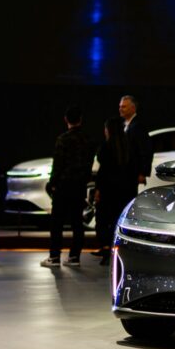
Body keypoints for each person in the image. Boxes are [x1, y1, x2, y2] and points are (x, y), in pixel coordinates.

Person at [41, 105, 95, 268]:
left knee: (56, 222)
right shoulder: (88, 140)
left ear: (66, 120)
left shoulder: (62, 139)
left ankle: (54, 257)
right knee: (77, 223)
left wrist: (52, 184)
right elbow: (89, 164)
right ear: (81, 120)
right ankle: (74, 257)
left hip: (63, 186)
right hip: (78, 186)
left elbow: (58, 165)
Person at [94, 116, 137, 266]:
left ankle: (106, 250)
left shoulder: (106, 147)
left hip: (108, 191)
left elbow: (102, 172)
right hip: (126, 191)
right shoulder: (129, 147)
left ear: (108, 130)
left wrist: (98, 190)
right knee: (118, 221)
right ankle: (118, 251)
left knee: (103, 220)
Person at [119, 95, 153, 190]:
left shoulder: (138, 126)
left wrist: (142, 173)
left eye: (124, 106)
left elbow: (146, 150)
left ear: (133, 108)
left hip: (132, 173)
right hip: (124, 173)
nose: (120, 109)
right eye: (120, 106)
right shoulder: (123, 125)